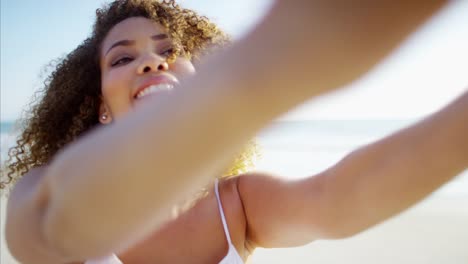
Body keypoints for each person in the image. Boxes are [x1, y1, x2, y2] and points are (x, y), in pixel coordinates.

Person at [3, 0, 465, 263]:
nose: (151, 61)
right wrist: (266, 66)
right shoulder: (38, 192)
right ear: (99, 106)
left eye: (168, 51)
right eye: (123, 58)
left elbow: (338, 197)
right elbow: (51, 225)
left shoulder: (238, 205)